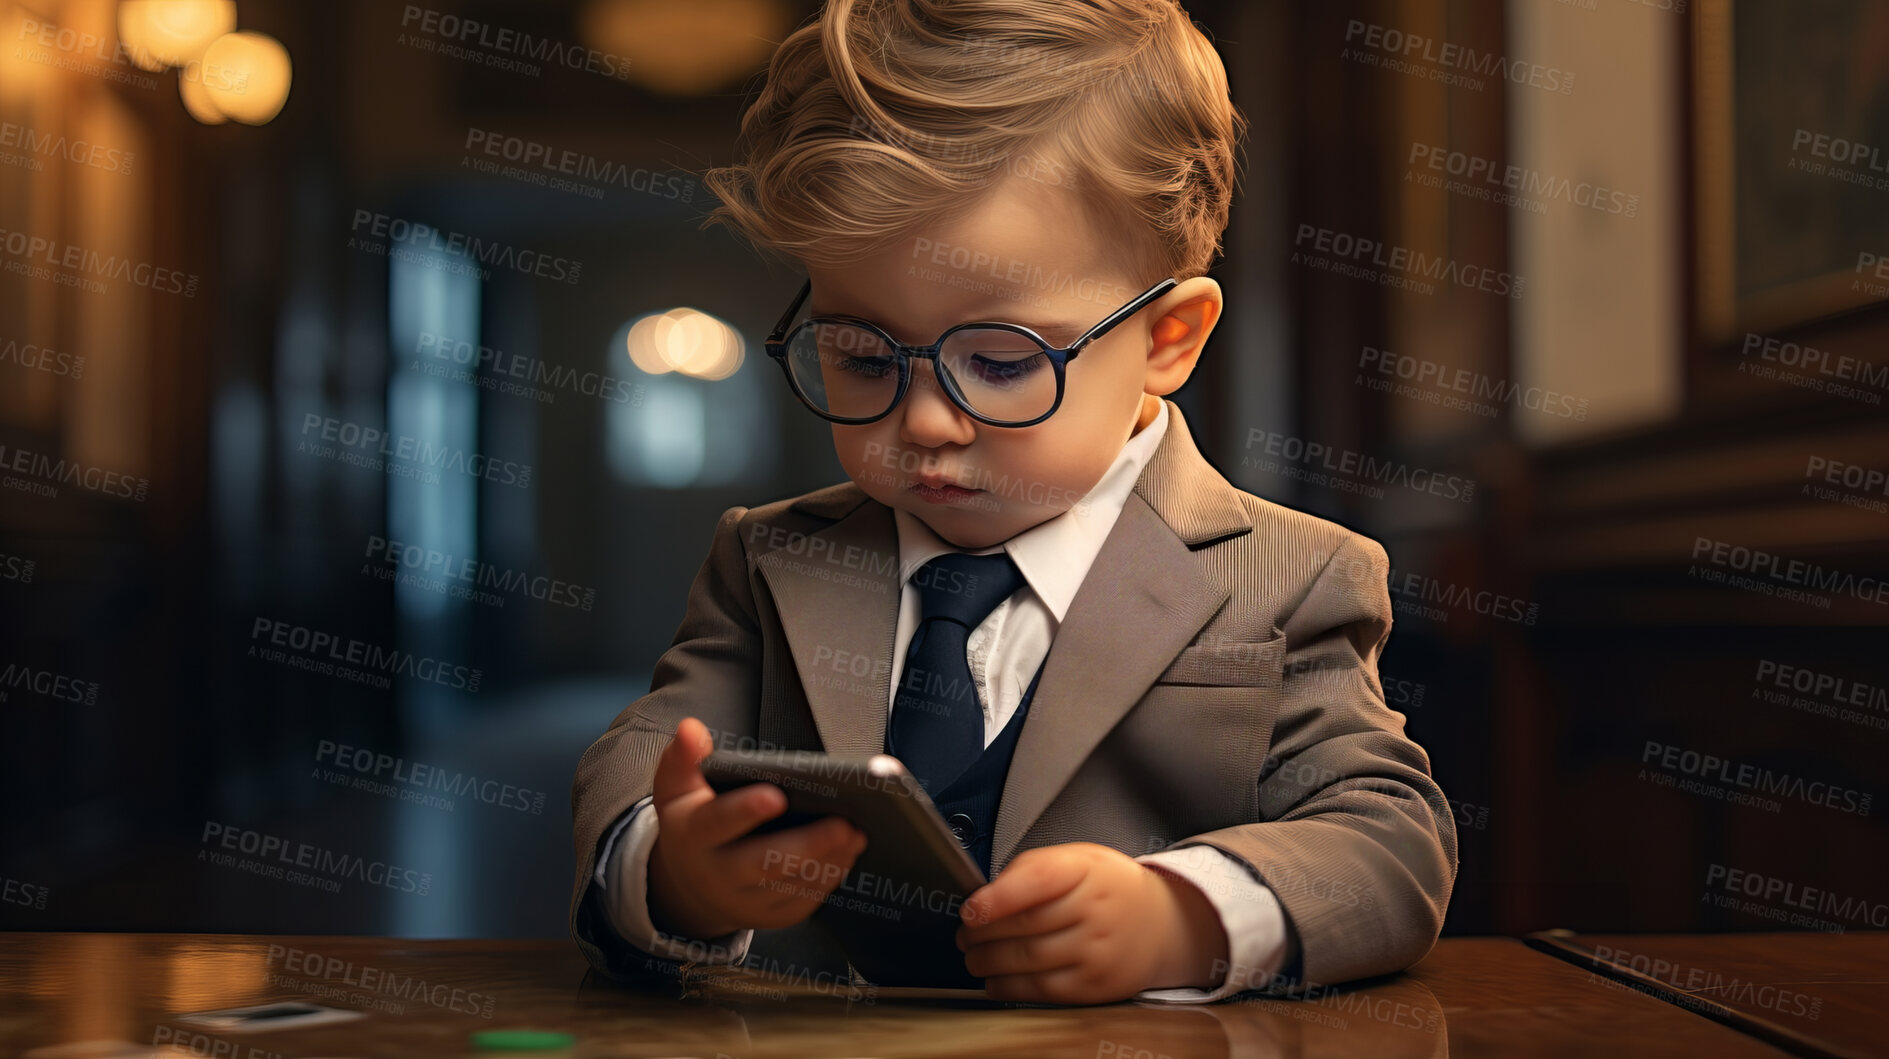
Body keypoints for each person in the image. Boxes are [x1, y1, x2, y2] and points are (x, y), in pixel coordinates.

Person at [570, 0, 1457, 1005]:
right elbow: (643, 758)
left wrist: (1186, 918)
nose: (924, 422)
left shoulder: (1291, 577)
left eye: (996, 361)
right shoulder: (768, 560)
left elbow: (1388, 836)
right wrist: (672, 868)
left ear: (1166, 340)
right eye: (861, 355)